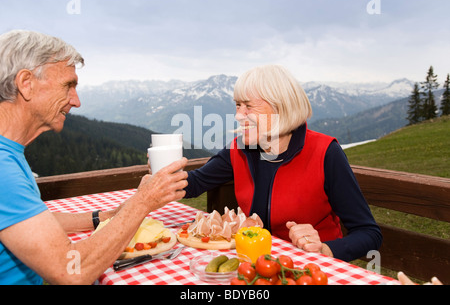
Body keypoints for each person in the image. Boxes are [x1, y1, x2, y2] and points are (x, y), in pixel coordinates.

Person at [0, 30, 188, 285]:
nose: (76, 101)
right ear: (26, 83)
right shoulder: (3, 168)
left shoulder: (9, 153)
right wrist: (144, 201)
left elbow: (31, 222)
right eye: (68, 85)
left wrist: (107, 216)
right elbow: (69, 272)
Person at [184, 64, 382, 262]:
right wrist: (157, 180)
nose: (238, 115)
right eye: (237, 105)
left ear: (280, 108)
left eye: (248, 106)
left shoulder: (325, 152)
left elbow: (369, 233)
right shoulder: (240, 149)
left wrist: (325, 249)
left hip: (310, 270)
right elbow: (195, 182)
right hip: (257, 265)